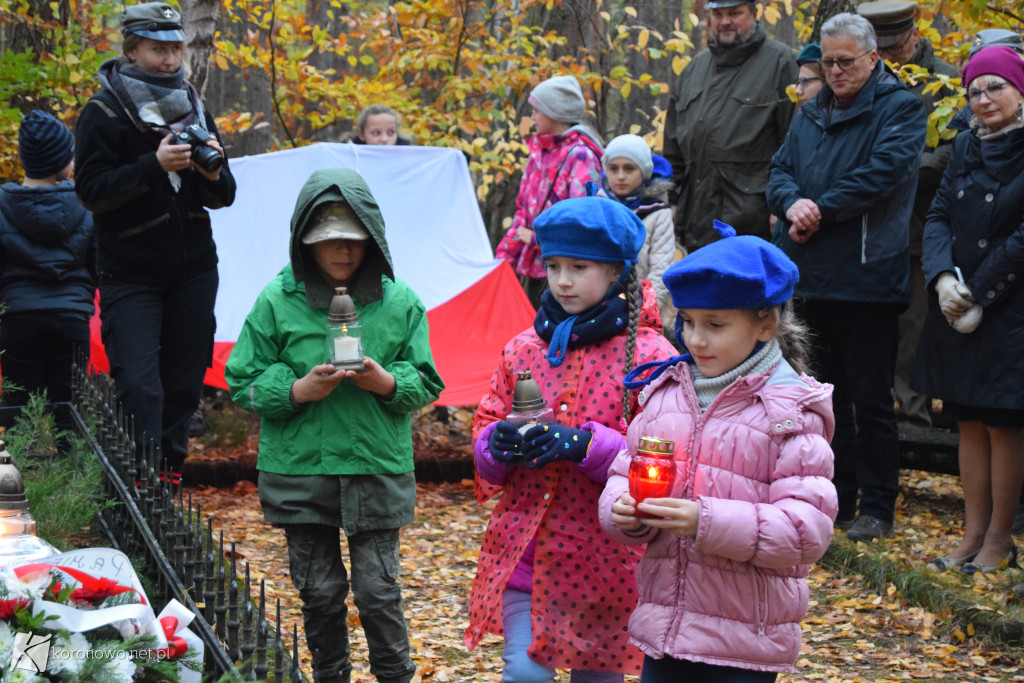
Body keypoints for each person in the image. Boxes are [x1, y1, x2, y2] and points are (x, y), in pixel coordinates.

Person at [225, 168, 444, 682]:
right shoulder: (277, 300)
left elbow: (427, 380)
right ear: (305, 242)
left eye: (353, 240)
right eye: (328, 242)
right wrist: (297, 389)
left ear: (373, 238)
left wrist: (386, 383)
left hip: (375, 467)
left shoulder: (400, 301)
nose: (342, 252)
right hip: (301, 472)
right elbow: (244, 381)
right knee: (319, 592)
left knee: (377, 591)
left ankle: (394, 676)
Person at [599, 221, 837, 681]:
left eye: (715, 324)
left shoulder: (789, 410)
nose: (695, 339)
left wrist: (703, 521)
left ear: (765, 323)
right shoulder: (664, 392)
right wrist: (623, 512)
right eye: (687, 320)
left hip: (745, 644)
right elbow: (621, 475)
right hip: (666, 631)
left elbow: (806, 531)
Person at [465, 197, 678, 682]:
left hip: (607, 563)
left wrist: (584, 447)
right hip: (528, 554)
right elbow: (487, 421)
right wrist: (494, 447)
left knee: (597, 680)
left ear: (615, 270)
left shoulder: (650, 354)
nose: (562, 281)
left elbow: (665, 454)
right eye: (554, 266)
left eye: (579, 268)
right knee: (525, 674)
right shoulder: (523, 348)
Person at [766, 12, 926, 542]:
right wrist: (793, 203)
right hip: (810, 273)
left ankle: (878, 505)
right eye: (827, 62)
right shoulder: (810, 114)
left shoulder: (900, 108)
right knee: (822, 397)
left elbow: (883, 173)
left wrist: (818, 209)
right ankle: (836, 497)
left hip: (867, 276)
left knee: (871, 398)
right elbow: (779, 171)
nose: (834, 71)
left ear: (873, 57)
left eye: (845, 62)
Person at [74, 2, 235, 476]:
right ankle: (134, 484)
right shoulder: (103, 111)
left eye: (175, 47)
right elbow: (90, 191)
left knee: (184, 385)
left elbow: (223, 195)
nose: (169, 59)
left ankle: (166, 481)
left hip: (194, 270)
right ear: (131, 49)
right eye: (157, 48)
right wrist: (152, 167)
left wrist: (212, 171)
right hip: (130, 274)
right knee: (140, 388)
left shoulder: (193, 103)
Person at [914, 47, 1024, 575]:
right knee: (968, 421)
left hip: (1010, 307)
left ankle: (1001, 538)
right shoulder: (963, 147)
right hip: (958, 305)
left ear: (1020, 91)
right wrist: (940, 280)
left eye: (996, 87)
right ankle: (973, 533)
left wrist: (979, 289)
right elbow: (937, 215)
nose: (984, 99)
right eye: (975, 90)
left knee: (1004, 423)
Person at [857, 0, 960, 431]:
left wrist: (896, 166)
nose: (890, 54)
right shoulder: (864, 80)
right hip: (869, 229)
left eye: (894, 45)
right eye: (880, 47)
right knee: (874, 328)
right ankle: (873, 416)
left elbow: (954, 152)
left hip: (924, 225)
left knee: (916, 328)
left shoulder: (947, 83)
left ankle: (914, 418)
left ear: (914, 33)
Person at [663, 0, 797, 253]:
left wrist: (783, 205)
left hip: (753, 226)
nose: (725, 21)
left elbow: (795, 144)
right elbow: (673, 149)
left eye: (735, 14)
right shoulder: (694, 69)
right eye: (718, 14)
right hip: (697, 224)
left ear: (755, 14)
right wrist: (670, 203)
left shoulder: (783, 64)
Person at [0, 110, 95, 448]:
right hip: (70, 317)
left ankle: (15, 490)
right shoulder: (85, 203)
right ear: (62, 161)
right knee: (70, 411)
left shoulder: (3, 204)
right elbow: (96, 263)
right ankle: (73, 489)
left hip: (19, 318)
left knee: (18, 410)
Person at [495, 75, 603, 308]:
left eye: (537, 110)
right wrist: (503, 258)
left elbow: (584, 220)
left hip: (567, 272)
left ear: (555, 112)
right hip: (538, 267)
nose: (532, 116)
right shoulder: (538, 154)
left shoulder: (580, 155)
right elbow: (524, 211)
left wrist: (536, 239)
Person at [595, 134, 675, 320]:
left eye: (629, 168)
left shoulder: (658, 213)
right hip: (595, 308)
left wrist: (643, 310)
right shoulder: (596, 206)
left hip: (640, 312)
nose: (620, 176)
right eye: (613, 169)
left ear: (644, 171)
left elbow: (661, 269)